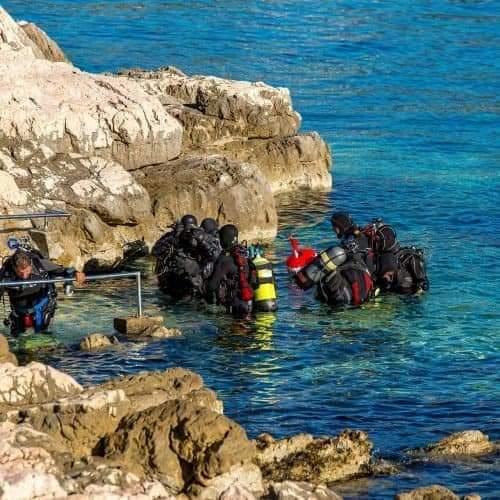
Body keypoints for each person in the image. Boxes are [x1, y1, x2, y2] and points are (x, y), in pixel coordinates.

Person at [0, 249, 85, 336]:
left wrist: (76, 273)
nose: (24, 276)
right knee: (17, 335)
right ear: (14, 268)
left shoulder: (40, 265)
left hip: (41, 304)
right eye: (20, 273)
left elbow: (63, 270)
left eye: (27, 271)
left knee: (42, 333)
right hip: (19, 308)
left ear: (31, 264)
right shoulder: (6, 272)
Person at [153, 214, 221, 300]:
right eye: (186, 228)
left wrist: (201, 240)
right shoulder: (173, 236)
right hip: (173, 285)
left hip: (188, 287)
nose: (188, 232)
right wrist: (175, 238)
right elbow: (155, 251)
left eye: (191, 229)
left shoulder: (198, 237)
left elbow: (215, 255)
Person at [205, 224, 254, 316]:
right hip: (250, 303)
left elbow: (212, 286)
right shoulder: (245, 253)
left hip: (235, 306)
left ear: (223, 240)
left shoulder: (224, 260)